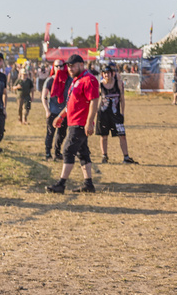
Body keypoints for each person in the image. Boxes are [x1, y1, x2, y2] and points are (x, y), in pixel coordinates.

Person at [46, 54, 99, 194]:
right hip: (73, 121)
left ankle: (61, 184)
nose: (70, 69)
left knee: (68, 151)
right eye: (68, 67)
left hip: (80, 123)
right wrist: (61, 116)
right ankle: (88, 184)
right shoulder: (77, 80)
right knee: (83, 153)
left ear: (81, 65)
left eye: (73, 66)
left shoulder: (89, 80)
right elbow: (70, 103)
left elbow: (94, 101)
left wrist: (89, 122)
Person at [98, 64, 137, 164]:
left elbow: (122, 99)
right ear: (102, 74)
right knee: (103, 135)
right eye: (105, 73)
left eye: (108, 73)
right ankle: (104, 156)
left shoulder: (118, 83)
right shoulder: (100, 85)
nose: (107, 75)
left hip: (116, 113)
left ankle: (126, 157)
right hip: (103, 114)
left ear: (112, 74)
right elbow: (96, 100)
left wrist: (122, 113)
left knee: (122, 135)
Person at [41, 59, 70, 161]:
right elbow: (44, 96)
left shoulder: (68, 80)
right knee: (50, 133)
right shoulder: (50, 80)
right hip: (52, 111)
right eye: (57, 66)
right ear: (54, 67)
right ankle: (48, 153)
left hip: (64, 112)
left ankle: (57, 153)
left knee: (62, 133)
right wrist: (47, 110)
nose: (59, 68)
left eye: (61, 66)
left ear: (64, 67)